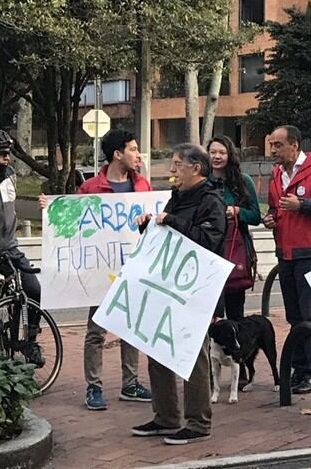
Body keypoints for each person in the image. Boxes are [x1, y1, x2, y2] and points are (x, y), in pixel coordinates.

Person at [39, 130, 153, 410]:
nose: (137, 155)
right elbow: (72, 222)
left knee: (131, 328)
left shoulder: (142, 186)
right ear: (117, 154)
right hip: (101, 271)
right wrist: (50, 209)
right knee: (96, 330)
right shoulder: (91, 188)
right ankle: (94, 387)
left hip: (132, 268)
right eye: (133, 149)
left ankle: (130, 384)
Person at [131, 143, 227, 445]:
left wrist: (171, 221)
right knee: (158, 349)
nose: (172, 171)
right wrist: (149, 227)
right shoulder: (178, 197)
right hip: (168, 286)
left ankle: (198, 422)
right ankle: (166, 417)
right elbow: (169, 238)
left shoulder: (211, 201)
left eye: (177, 165)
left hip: (196, 290)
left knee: (192, 355)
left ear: (195, 168)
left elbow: (207, 241)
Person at [263, 125, 311, 394]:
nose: (273, 150)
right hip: (285, 251)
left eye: (278, 145)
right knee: (293, 315)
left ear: (294, 145)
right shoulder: (276, 173)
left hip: (309, 251)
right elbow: (275, 207)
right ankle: (297, 369)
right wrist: (270, 218)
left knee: (309, 314)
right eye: (271, 145)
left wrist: (302, 205)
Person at [0, 130, 43, 367]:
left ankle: (29, 342)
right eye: (2, 154)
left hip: (10, 247)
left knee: (33, 289)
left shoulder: (10, 176)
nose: (6, 158)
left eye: (8, 153)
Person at [208, 136, 261, 321]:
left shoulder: (243, 181)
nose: (217, 156)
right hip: (209, 253)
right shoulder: (202, 182)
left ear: (230, 155)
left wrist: (237, 211)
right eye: (213, 152)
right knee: (210, 315)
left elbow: (256, 216)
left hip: (235, 250)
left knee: (235, 313)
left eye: (222, 152)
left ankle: (236, 340)